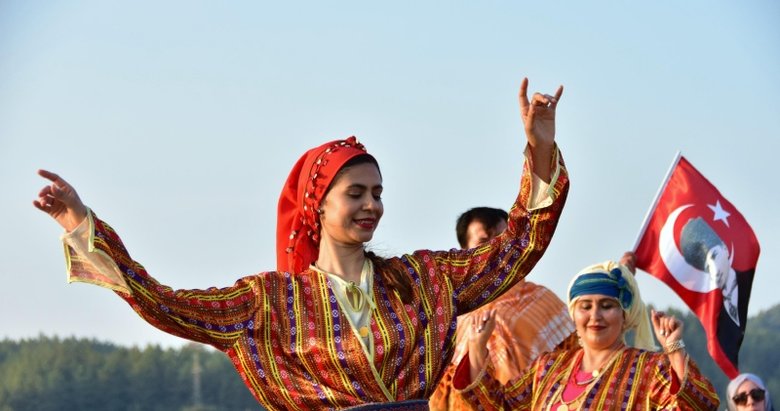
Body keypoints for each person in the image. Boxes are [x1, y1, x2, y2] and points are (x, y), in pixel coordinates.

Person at [34, 78, 569, 411]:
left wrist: (539, 148)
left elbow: (517, 246)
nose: (372, 205)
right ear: (318, 206)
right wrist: (80, 224)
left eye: (378, 193)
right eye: (355, 194)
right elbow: (162, 303)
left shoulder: (424, 280)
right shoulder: (266, 303)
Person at [451, 252, 720, 410]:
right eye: (585, 306)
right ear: (573, 314)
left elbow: (699, 406)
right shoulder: (547, 368)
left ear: (624, 314)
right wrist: (477, 348)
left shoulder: (650, 369)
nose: (595, 316)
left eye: (607, 306)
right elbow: (498, 406)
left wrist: (674, 349)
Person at [429, 207, 576, 410]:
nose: (495, 249)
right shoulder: (452, 314)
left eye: (503, 240)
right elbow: (439, 390)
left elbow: (575, 359)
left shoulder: (542, 300)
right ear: (464, 253)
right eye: (483, 242)